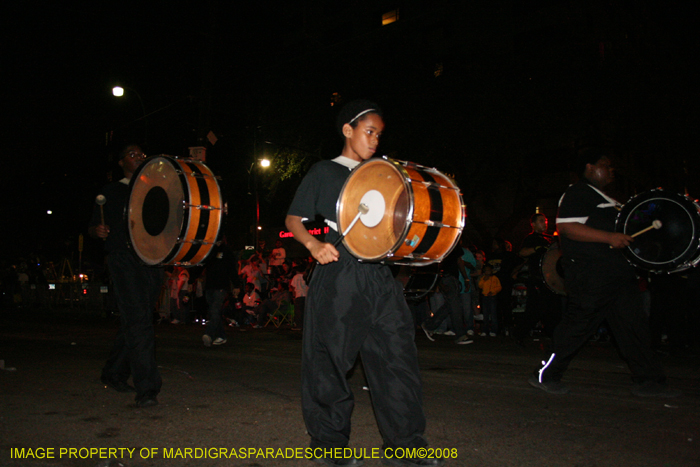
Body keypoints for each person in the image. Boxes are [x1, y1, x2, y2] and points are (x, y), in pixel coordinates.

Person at [285, 100, 444, 467]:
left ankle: (405, 445)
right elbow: (297, 219)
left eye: (378, 135)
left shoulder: (385, 175)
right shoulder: (325, 172)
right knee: (330, 362)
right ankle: (328, 446)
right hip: (340, 273)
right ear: (348, 130)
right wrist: (315, 243)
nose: (374, 141)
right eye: (368, 132)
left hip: (380, 277)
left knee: (397, 359)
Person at [528, 148, 678, 397]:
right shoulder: (578, 192)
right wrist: (610, 237)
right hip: (592, 274)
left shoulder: (609, 200)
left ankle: (648, 380)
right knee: (578, 325)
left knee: (634, 327)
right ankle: (545, 374)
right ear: (589, 167)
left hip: (617, 274)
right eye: (605, 165)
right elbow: (566, 228)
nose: (611, 170)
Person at [88, 144, 163, 408]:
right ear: (121, 162)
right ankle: (147, 389)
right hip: (122, 258)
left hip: (152, 259)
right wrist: (97, 230)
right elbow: (92, 225)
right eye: (133, 154)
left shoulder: (156, 189)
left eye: (143, 154)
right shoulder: (111, 191)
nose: (140, 157)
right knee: (139, 323)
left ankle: (114, 372)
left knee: (137, 319)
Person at [514, 213, 560, 344]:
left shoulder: (550, 239)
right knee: (534, 309)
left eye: (545, 221)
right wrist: (536, 248)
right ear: (533, 224)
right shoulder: (531, 238)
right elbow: (522, 252)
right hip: (537, 279)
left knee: (553, 309)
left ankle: (555, 335)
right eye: (541, 221)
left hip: (550, 280)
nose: (544, 223)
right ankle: (519, 334)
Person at [421, 244, 474, 345]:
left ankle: (429, 325)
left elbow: (458, 261)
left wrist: (465, 278)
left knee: (451, 304)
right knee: (455, 305)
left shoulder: (451, 242)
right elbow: (440, 262)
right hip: (447, 277)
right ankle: (460, 334)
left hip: (451, 277)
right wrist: (440, 281)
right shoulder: (447, 241)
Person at [202, 238, 237, 347]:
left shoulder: (226, 251)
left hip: (221, 286)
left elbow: (232, 268)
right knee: (214, 312)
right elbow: (202, 265)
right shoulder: (210, 251)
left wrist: (236, 284)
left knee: (215, 309)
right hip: (209, 286)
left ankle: (209, 334)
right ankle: (221, 335)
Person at [477, 263, 502, 336]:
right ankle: (485, 330)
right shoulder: (483, 278)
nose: (487, 272)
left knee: (493, 314)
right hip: (485, 297)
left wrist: (493, 291)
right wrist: (484, 280)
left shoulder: (495, 278)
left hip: (492, 297)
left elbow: (499, 287)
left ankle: (494, 330)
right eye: (486, 271)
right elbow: (480, 286)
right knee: (485, 314)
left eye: (489, 270)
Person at [289, 265, 308, 330]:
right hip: (306, 295)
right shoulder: (306, 277)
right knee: (305, 311)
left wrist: (293, 296)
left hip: (298, 295)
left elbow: (293, 287)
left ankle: (299, 325)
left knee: (298, 311)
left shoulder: (295, 277)